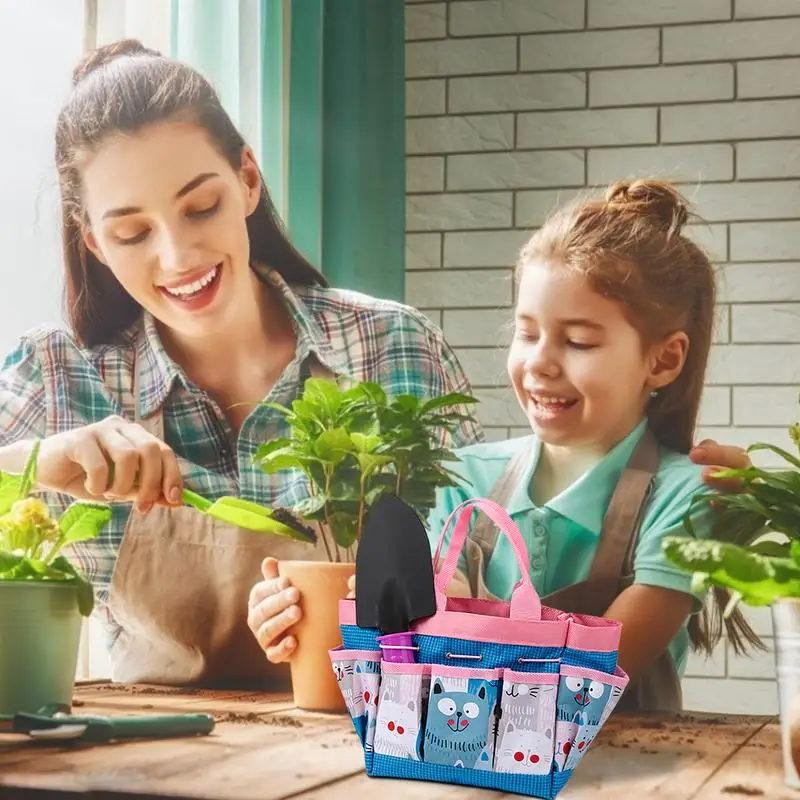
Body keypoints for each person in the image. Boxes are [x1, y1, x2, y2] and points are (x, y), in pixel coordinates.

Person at [0, 39, 481, 687]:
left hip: (381, 753)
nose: (177, 257)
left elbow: (482, 579)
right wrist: (40, 462)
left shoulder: (393, 348)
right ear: (94, 242)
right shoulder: (58, 376)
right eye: (132, 233)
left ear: (248, 180)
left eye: (201, 207)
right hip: (159, 770)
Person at [249, 179, 757, 711]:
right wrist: (308, 615)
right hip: (464, 774)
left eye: (579, 341)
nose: (540, 361)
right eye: (527, 333)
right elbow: (410, 651)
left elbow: (594, 674)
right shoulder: (464, 478)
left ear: (664, 360)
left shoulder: (687, 497)